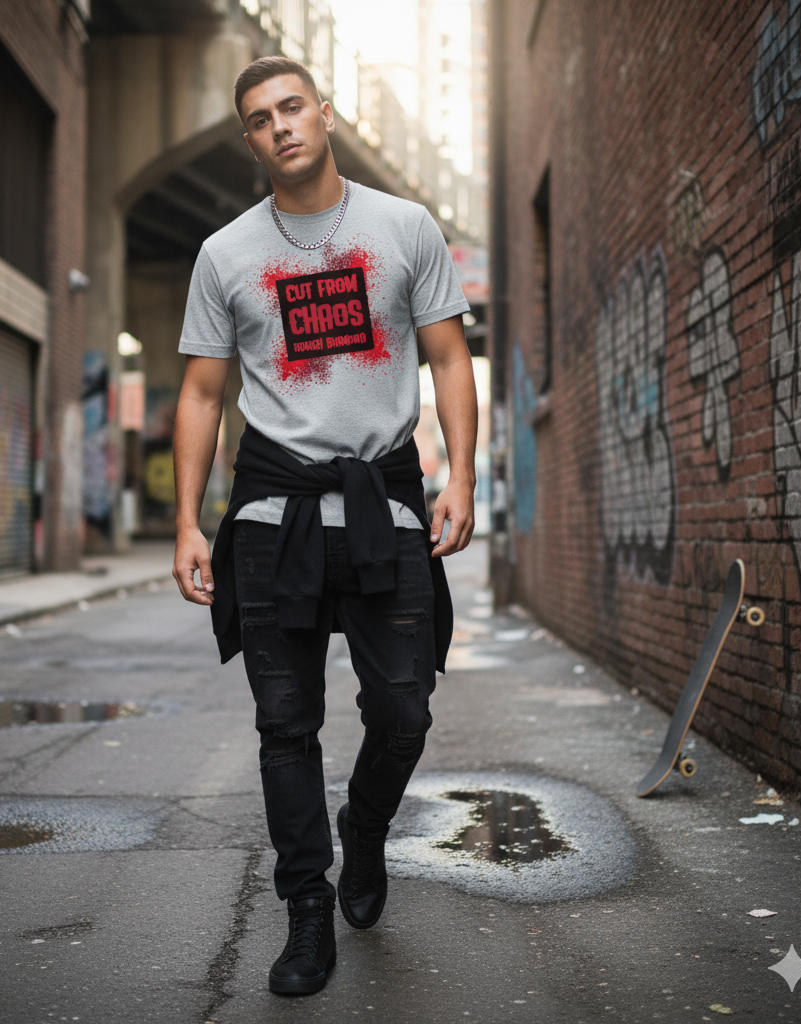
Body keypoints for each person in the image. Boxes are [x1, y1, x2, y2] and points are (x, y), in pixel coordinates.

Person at [171, 55, 477, 996]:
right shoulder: (226, 254)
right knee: (285, 726)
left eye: (293, 106)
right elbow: (201, 391)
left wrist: (459, 474)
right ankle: (308, 913)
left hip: (381, 508)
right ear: (252, 138)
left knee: (404, 709)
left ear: (325, 112)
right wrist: (186, 520)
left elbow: (450, 360)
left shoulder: (402, 228)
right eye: (260, 118)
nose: (281, 126)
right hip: (271, 517)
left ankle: (368, 825)